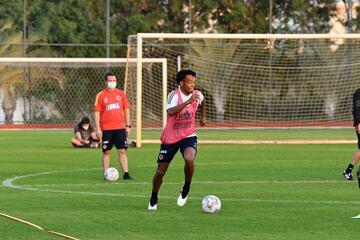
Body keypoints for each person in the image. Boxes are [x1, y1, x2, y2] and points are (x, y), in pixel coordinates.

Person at [148, 69, 206, 210]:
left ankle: (186, 187)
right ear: (181, 83)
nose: (192, 85)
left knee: (189, 158)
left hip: (188, 135)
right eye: (189, 82)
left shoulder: (197, 95)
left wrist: (202, 116)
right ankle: (154, 197)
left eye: (194, 82)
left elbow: (203, 101)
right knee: (160, 172)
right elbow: (170, 111)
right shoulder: (174, 95)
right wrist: (187, 102)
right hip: (170, 138)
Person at [94, 72, 133, 180]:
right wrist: (98, 128)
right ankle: (105, 173)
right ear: (105, 82)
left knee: (122, 150)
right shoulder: (101, 95)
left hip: (120, 128)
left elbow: (126, 110)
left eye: (114, 80)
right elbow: (97, 112)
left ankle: (126, 173)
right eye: (110, 81)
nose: (112, 82)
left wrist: (128, 126)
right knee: (106, 152)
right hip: (107, 129)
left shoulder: (121, 94)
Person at [343, 88, 360, 185]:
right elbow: (356, 109)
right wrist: (358, 123)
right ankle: (348, 171)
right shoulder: (358, 93)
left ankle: (348, 171)